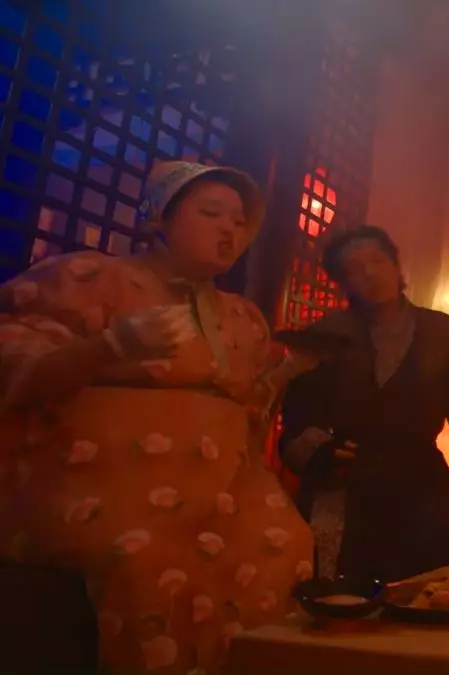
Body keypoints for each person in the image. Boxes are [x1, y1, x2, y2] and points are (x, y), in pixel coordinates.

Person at [0, 161, 315, 674]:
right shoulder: (91, 277)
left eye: (239, 221)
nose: (228, 229)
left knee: (289, 545)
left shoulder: (241, 316)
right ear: (159, 217)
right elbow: (17, 365)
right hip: (107, 482)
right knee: (148, 561)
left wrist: (287, 374)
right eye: (211, 212)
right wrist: (110, 346)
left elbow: (247, 409)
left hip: (225, 487)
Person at [278, 225, 449, 583]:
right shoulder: (323, 339)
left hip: (420, 481)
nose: (370, 272)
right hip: (347, 483)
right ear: (344, 283)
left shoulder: (438, 334)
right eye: (355, 268)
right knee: (342, 582)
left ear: (397, 267)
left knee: (440, 570)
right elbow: (297, 418)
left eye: (377, 260)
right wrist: (321, 450)